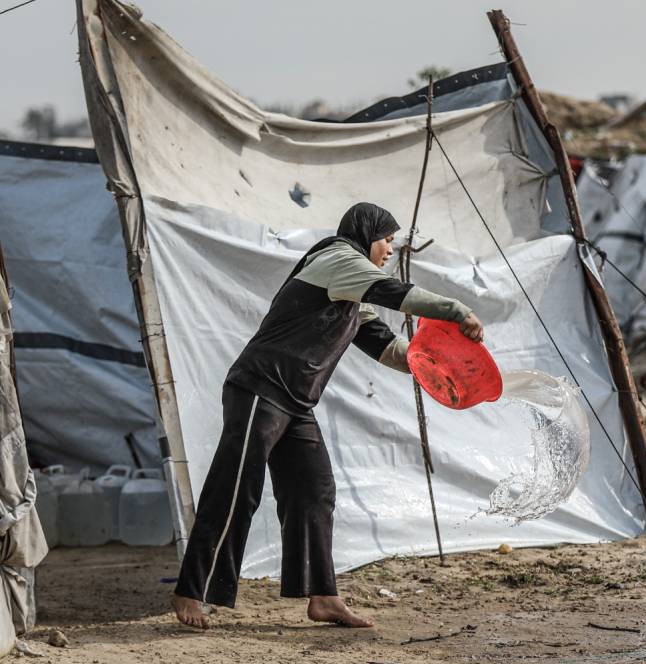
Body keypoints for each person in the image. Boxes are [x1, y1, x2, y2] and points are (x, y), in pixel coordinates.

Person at [171, 202, 482, 629]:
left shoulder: (354, 290)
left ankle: (323, 597)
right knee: (236, 487)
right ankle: (192, 591)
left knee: (314, 492)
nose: (390, 250)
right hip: (261, 388)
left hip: (296, 402)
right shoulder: (338, 259)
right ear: (366, 234)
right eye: (387, 240)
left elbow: (391, 352)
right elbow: (395, 292)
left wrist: (438, 363)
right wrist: (456, 311)